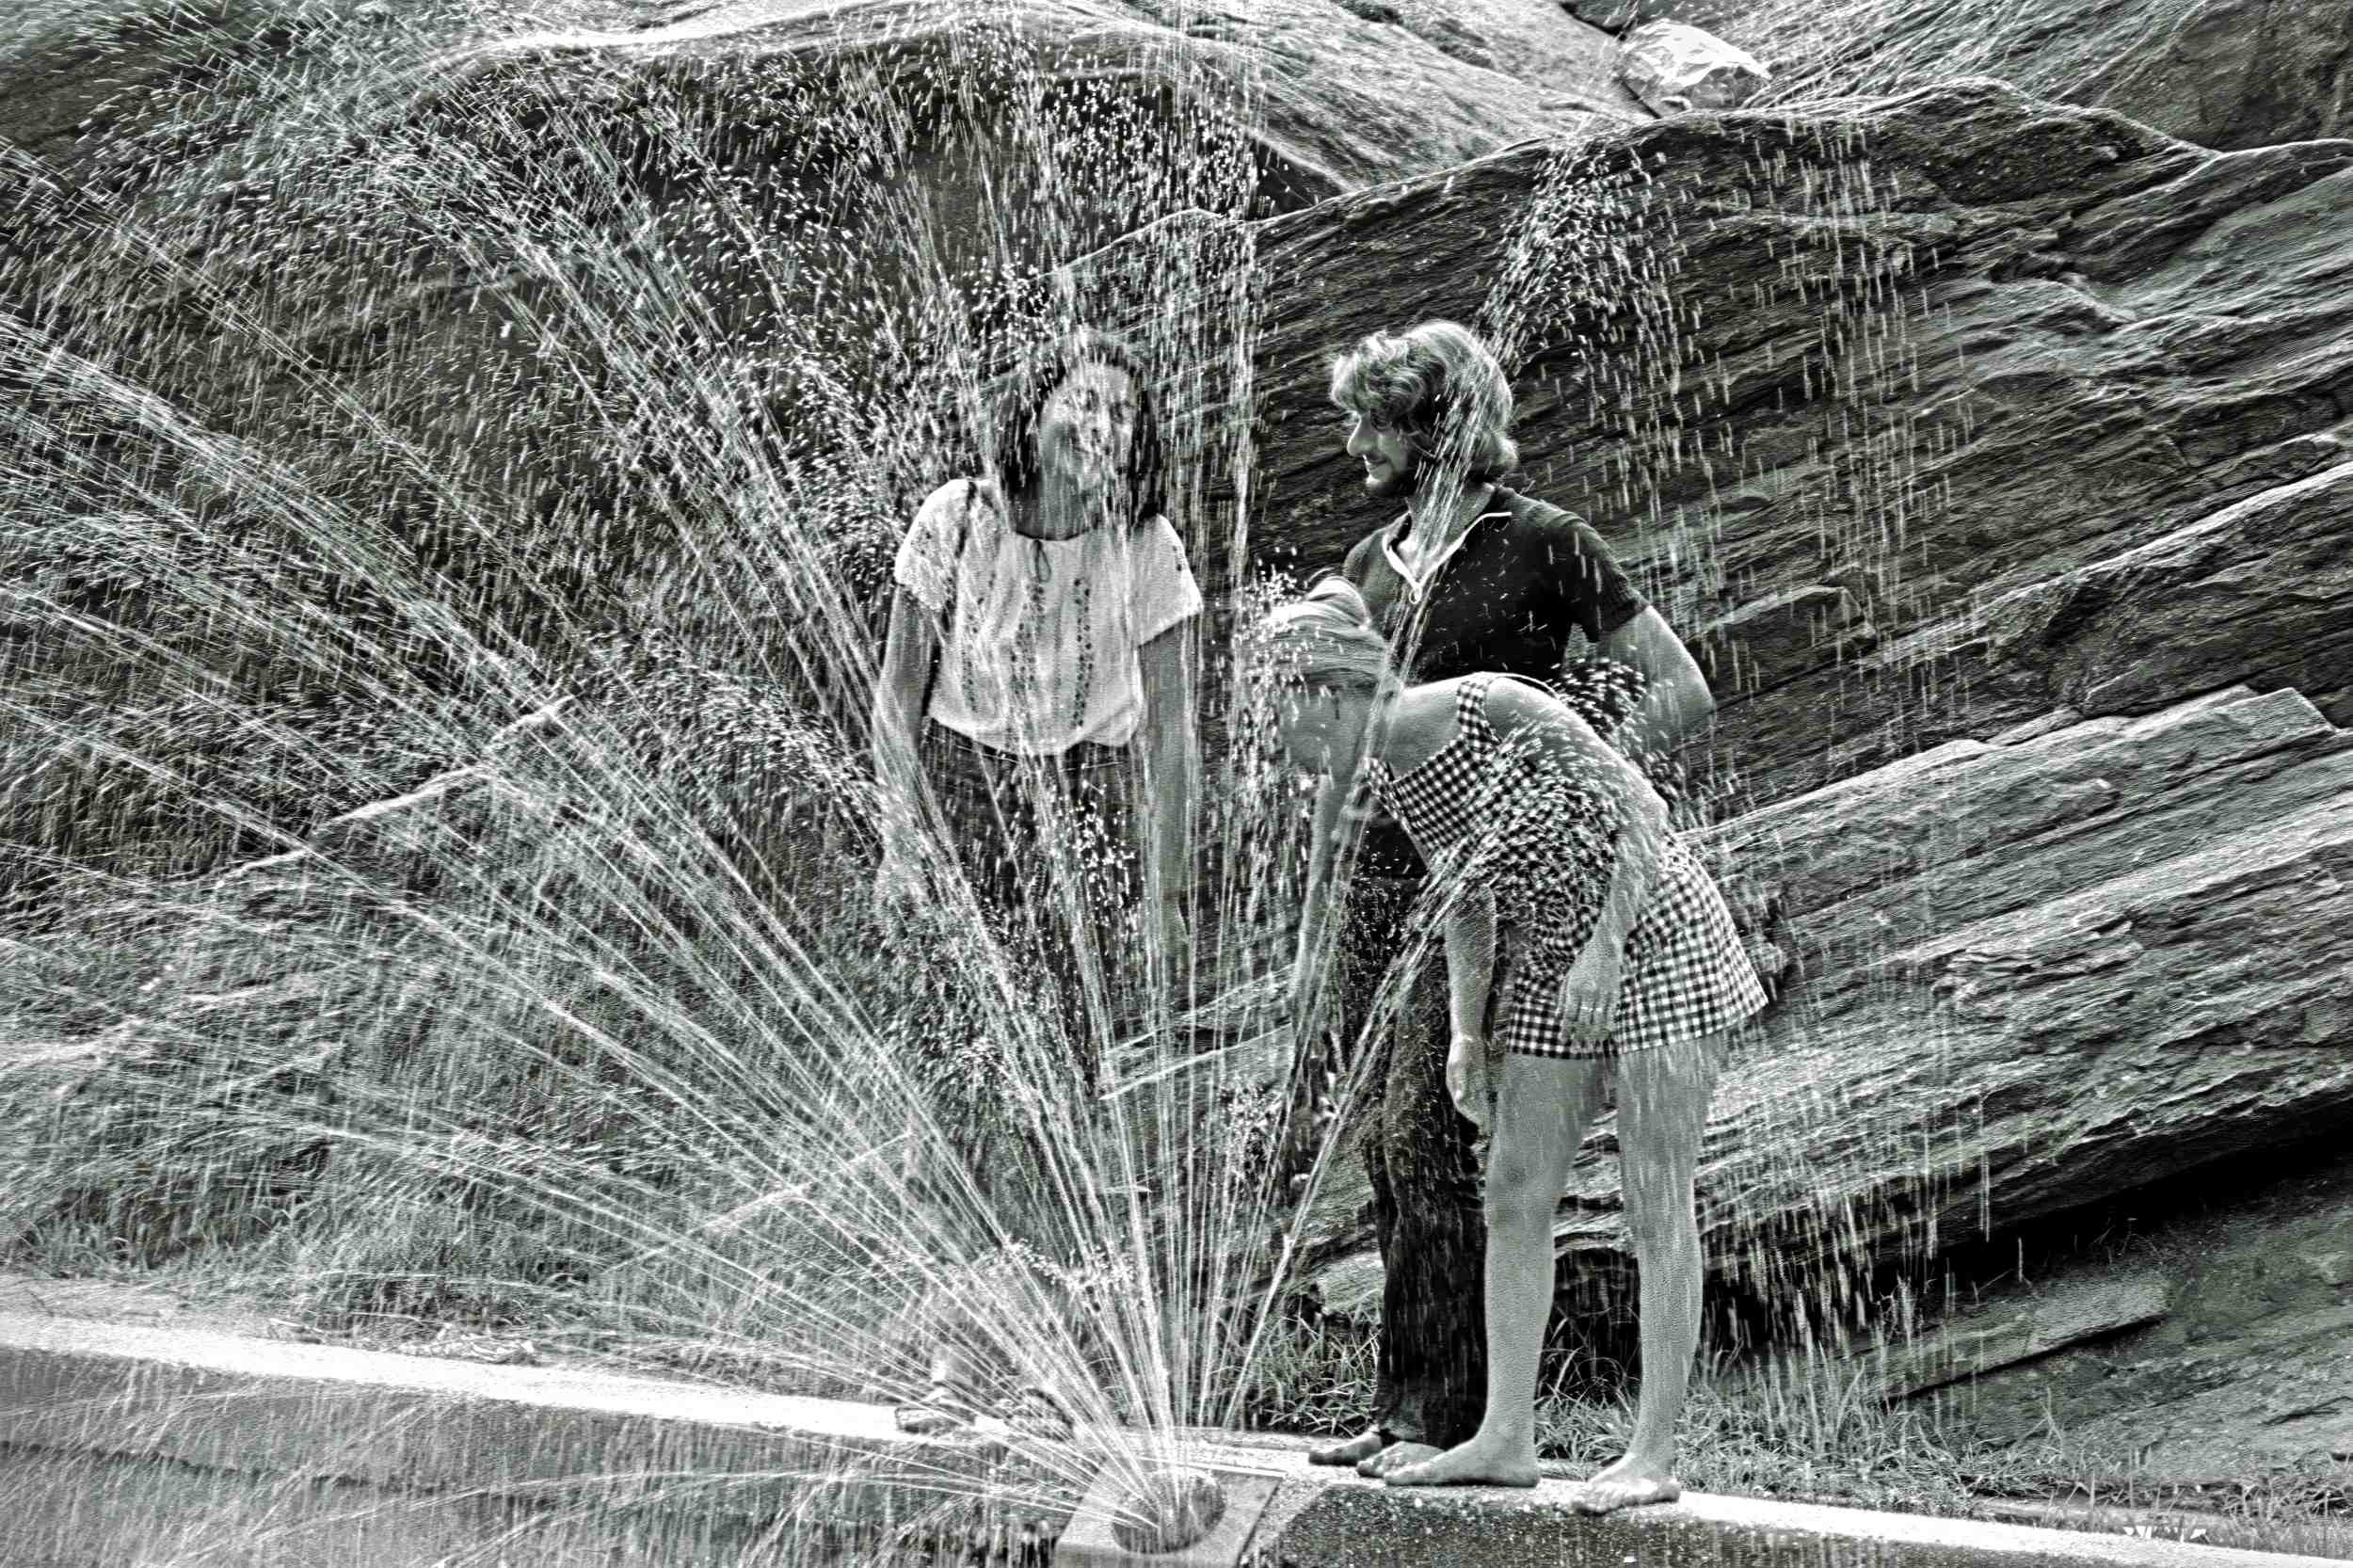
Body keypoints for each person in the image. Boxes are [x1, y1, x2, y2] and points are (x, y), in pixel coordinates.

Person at [1282, 320, 1718, 1482]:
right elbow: (1345, 745)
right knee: (1392, 1149)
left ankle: (1451, 1417)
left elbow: (1680, 689)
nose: (1352, 443)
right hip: (1397, 870)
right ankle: (1418, 1403)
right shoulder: (1368, 566)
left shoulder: (1543, 541)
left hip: (1515, 875)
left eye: (1370, 421)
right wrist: (1319, 905)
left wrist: (1558, 785)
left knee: (1429, 1133)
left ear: (1433, 426)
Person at [1260, 579, 1766, 1512]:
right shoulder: (1388, 770)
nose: (1275, 740)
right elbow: (1466, 898)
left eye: (1278, 714)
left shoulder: (1491, 706)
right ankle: (1503, 1438)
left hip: (1655, 935)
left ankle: (1651, 1455)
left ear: (1326, 696)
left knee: (1656, 1198)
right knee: (1512, 1192)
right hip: (1547, 957)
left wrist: (1605, 949)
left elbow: (1642, 810)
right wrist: (1465, 1030)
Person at [867, 325, 1202, 1433]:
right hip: (964, 793)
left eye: (1122, 412)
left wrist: (1163, 895)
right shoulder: (955, 516)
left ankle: (1050, 1367)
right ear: (1034, 412)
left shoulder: (1144, 544)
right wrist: (900, 844)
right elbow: (895, 700)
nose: (1101, 425)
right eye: (1082, 401)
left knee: (1062, 1092)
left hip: (1083, 800)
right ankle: (954, 1362)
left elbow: (1174, 737)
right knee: (960, 1090)